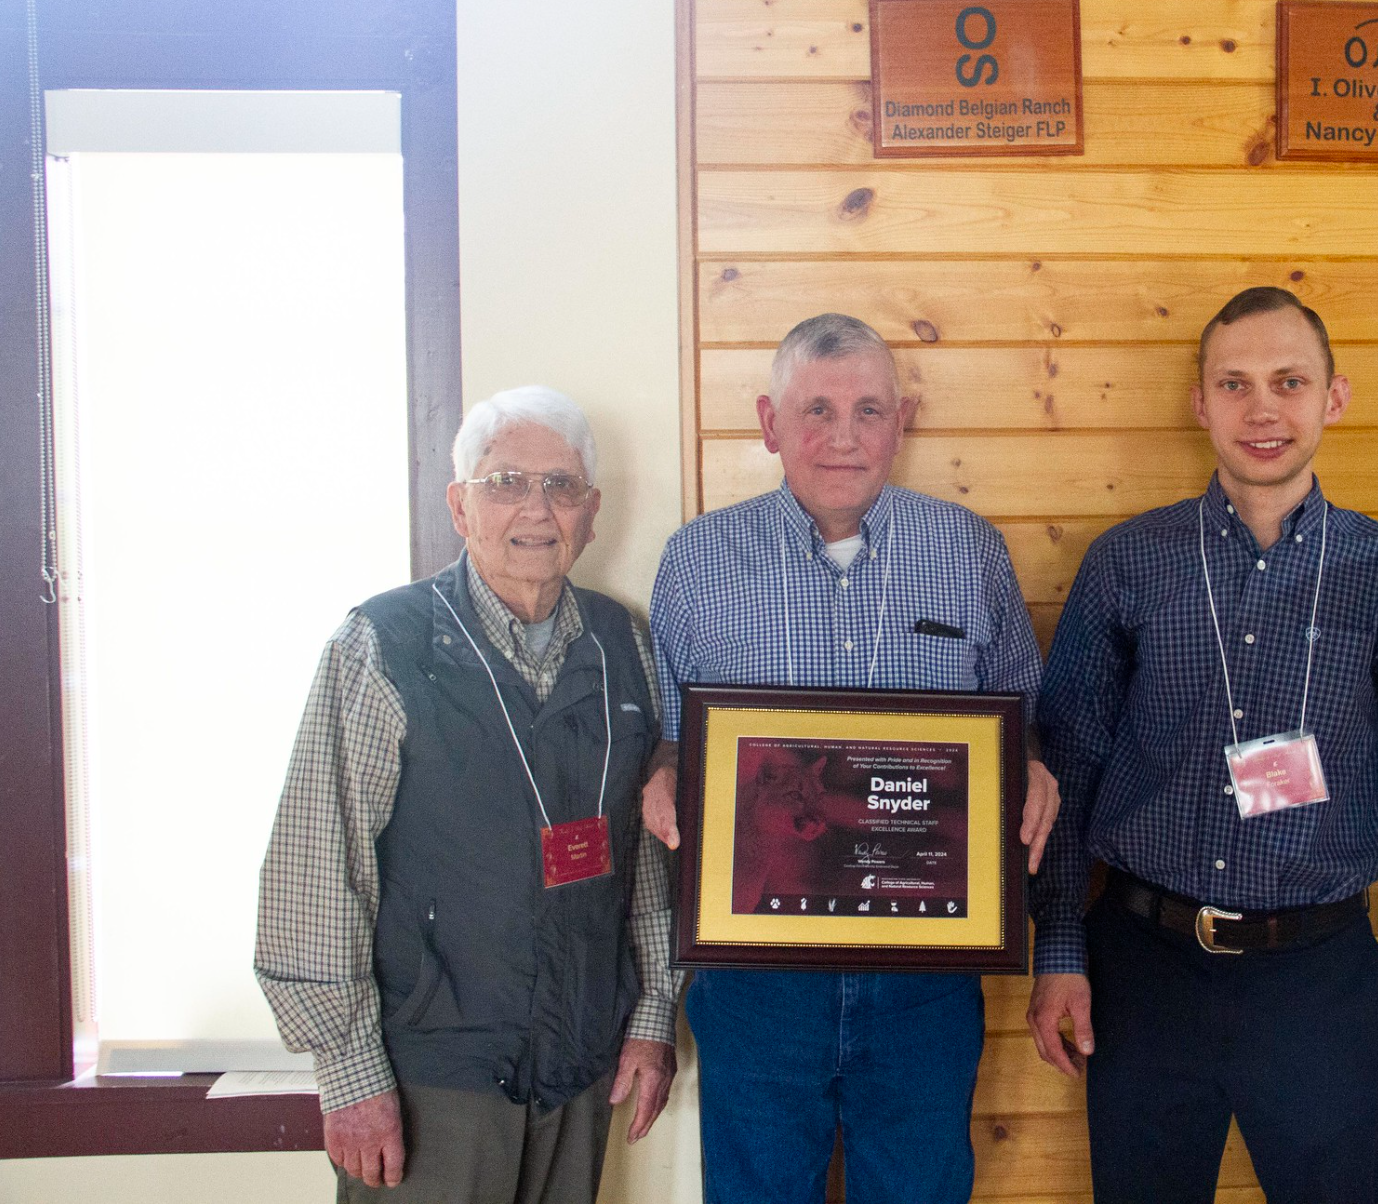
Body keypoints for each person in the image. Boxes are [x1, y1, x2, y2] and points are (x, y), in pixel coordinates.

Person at [1027, 287, 1378, 1203]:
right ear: (1201, 402)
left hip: (1320, 979)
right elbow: (1060, 773)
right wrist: (1059, 950)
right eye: (1235, 383)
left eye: (1288, 382)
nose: (1263, 409)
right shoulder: (1126, 565)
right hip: (1143, 971)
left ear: (1332, 397)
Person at [640, 312, 1060, 1204]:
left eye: (867, 409)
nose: (843, 435)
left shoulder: (968, 553)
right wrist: (667, 767)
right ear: (767, 423)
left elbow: (1021, 719)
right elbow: (677, 735)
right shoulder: (696, 562)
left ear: (899, 421)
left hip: (924, 975)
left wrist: (1036, 762)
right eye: (816, 409)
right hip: (757, 977)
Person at [256, 386, 682, 1203]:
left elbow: (644, 860)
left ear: (590, 513)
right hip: (430, 1078)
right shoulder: (382, 644)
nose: (536, 507)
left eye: (561, 486)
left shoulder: (622, 642)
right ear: (459, 505)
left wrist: (653, 1013)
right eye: (505, 482)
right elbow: (319, 865)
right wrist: (348, 1073)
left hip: (580, 1064)